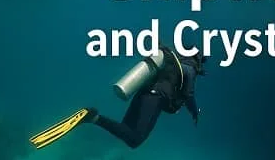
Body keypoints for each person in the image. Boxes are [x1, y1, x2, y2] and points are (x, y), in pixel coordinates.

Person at [29, 45, 206, 150]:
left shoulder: (170, 60)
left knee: (126, 130)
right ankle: (92, 117)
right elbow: (188, 95)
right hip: (155, 99)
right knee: (135, 139)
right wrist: (195, 112)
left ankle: (92, 117)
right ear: (198, 59)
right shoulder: (190, 68)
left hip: (142, 95)